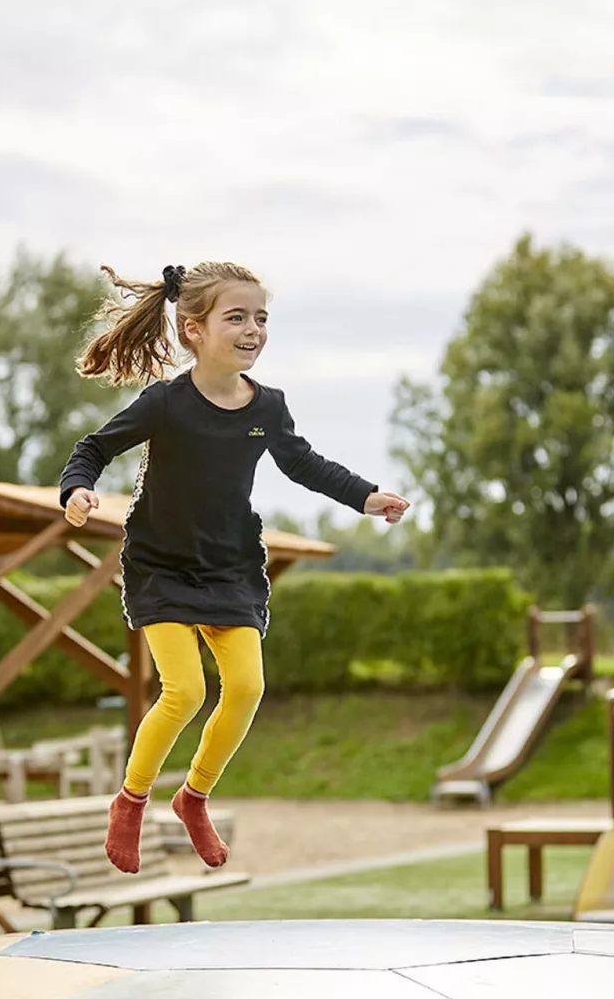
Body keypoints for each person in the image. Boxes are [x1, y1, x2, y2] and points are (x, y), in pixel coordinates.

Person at [58, 261, 410, 873]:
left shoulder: (267, 406)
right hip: (161, 567)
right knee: (185, 691)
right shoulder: (165, 403)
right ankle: (131, 800)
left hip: (229, 568)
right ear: (194, 330)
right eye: (237, 318)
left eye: (261, 318)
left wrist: (365, 495)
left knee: (247, 688)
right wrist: (77, 490)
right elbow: (94, 446)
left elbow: (304, 464)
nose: (253, 330)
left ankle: (193, 797)